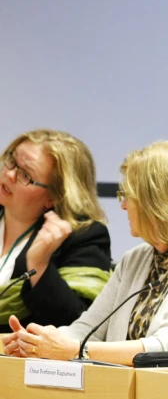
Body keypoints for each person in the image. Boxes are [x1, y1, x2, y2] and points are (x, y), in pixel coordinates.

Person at [1, 140, 168, 366]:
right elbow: (87, 328)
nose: (122, 205)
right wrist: (31, 341)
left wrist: (76, 351)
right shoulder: (136, 259)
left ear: (157, 204)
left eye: (127, 195)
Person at [0, 129, 111, 332]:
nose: (8, 174)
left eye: (25, 175)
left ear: (55, 196)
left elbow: (80, 325)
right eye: (11, 160)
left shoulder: (83, 237)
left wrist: (39, 267)